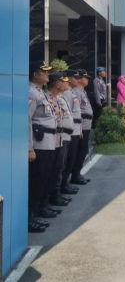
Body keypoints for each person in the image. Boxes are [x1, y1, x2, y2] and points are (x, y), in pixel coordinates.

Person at [28, 61, 56, 233]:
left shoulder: (40, 93)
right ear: (35, 74)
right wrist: (29, 148)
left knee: (44, 180)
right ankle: (30, 217)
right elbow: (27, 121)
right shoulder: (31, 93)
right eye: (44, 72)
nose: (48, 75)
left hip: (48, 143)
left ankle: (36, 211)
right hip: (39, 145)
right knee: (36, 182)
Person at [46, 73, 74, 212]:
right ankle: (50, 198)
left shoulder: (59, 97)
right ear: (57, 84)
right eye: (64, 81)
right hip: (53, 139)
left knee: (59, 167)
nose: (67, 82)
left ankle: (55, 195)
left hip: (62, 137)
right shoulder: (48, 97)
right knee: (53, 170)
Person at [61, 70, 82, 197]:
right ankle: (63, 184)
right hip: (69, 131)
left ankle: (64, 183)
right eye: (75, 78)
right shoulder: (67, 93)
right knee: (67, 160)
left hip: (74, 129)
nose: (77, 80)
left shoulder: (72, 92)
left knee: (71, 158)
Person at [71, 70, 93, 186]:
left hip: (86, 125)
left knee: (83, 150)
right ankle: (75, 175)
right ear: (79, 79)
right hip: (81, 125)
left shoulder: (82, 92)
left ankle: (77, 173)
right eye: (85, 78)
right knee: (80, 151)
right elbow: (76, 111)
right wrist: (79, 128)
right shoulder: (76, 92)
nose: (87, 80)